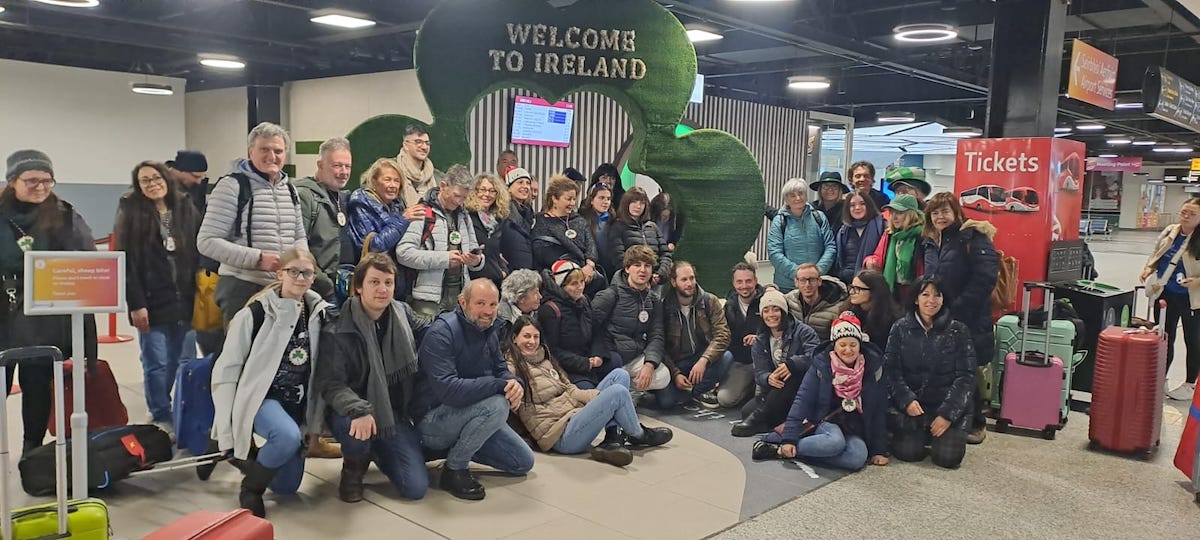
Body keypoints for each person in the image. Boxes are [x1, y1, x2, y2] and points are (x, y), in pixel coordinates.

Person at [211, 248, 334, 517]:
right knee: (286, 437)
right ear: (280, 274)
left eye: (307, 273)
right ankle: (250, 489)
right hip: (262, 398)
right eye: (294, 272)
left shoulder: (318, 314)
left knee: (286, 487)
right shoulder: (253, 315)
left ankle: (249, 461)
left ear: (314, 277)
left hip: (296, 402)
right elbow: (225, 373)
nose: (300, 278)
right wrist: (225, 431)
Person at [1, 149, 99, 452]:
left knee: (37, 388)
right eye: (32, 180)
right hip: (3, 313)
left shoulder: (65, 215)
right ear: (12, 180)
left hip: (45, 319)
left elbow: (86, 266)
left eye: (47, 180)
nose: (41, 187)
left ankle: (32, 451)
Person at [315, 253, 431, 502]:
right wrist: (359, 409)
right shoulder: (338, 327)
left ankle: (378, 449)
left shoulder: (403, 314)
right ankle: (353, 471)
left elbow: (431, 328)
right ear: (358, 287)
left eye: (388, 283)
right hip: (351, 412)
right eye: (374, 282)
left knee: (415, 488)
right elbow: (332, 384)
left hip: (392, 413)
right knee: (356, 431)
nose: (382, 289)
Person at [413, 278, 535, 500]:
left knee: (522, 462)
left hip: (472, 412)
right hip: (433, 418)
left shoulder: (490, 329)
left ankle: (457, 447)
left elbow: (501, 370)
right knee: (498, 404)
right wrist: (501, 386)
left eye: (493, 304)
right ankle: (455, 469)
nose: (488, 311)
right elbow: (449, 390)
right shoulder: (442, 333)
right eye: (480, 304)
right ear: (463, 302)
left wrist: (515, 384)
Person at [505, 316, 673, 467]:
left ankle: (613, 437)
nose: (532, 342)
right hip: (560, 435)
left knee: (619, 375)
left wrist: (597, 397)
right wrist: (605, 400)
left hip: (573, 414)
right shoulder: (512, 368)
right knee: (618, 393)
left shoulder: (544, 358)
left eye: (536, 336)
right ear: (515, 338)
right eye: (526, 336)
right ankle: (638, 434)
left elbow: (570, 389)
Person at [116, 160, 201, 436]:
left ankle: (179, 409)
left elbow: (200, 247)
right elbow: (127, 265)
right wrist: (136, 304)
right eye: (145, 180)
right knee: (156, 363)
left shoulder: (185, 208)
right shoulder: (132, 213)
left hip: (185, 300)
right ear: (139, 186)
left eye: (156, 178)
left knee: (184, 361)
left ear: (166, 178)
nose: (152, 184)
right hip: (151, 302)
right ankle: (160, 412)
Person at [197, 122, 308, 326]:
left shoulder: (290, 190)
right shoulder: (231, 186)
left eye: (278, 151)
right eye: (264, 149)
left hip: (282, 288)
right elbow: (206, 241)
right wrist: (257, 259)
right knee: (243, 356)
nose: (272, 156)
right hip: (241, 289)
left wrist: (299, 263)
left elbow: (299, 236)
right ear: (251, 152)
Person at [752, 312, 890, 470]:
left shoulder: (873, 369)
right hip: (826, 420)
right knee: (834, 442)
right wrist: (788, 439)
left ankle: (789, 452)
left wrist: (879, 450)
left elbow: (878, 410)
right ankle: (783, 448)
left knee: (857, 458)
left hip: (854, 426)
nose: (848, 350)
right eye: (842, 344)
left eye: (853, 344)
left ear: (860, 345)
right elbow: (802, 400)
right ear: (834, 345)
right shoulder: (821, 365)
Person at [922, 193, 999, 443]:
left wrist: (958, 308)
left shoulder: (972, 236)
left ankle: (976, 422)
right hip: (940, 315)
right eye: (934, 213)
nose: (940, 217)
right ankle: (952, 417)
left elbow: (986, 278)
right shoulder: (932, 241)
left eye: (945, 211)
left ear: (956, 212)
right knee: (947, 369)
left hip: (969, 318)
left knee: (967, 369)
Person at [885, 276, 975, 469]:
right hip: (913, 408)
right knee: (907, 454)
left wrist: (947, 414)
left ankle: (940, 432)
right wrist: (906, 400)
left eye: (937, 295)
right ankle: (921, 433)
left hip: (946, 406)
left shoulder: (959, 330)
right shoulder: (900, 328)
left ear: (944, 299)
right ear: (916, 299)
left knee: (947, 459)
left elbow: (966, 377)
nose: (931, 300)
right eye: (925, 294)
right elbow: (891, 370)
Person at [395, 164, 484, 317]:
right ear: (443, 186)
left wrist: (476, 260)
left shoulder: (464, 216)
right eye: (457, 195)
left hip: (460, 298)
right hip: (428, 300)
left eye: (464, 197)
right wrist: (444, 259)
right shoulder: (422, 212)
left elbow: (475, 251)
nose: (459, 202)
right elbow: (403, 253)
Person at [730, 290, 820, 437]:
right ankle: (773, 422)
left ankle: (762, 418)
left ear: (784, 311)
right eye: (766, 311)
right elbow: (759, 373)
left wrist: (792, 364)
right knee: (746, 411)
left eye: (775, 309)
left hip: (800, 386)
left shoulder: (804, 331)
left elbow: (817, 356)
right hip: (774, 390)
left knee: (790, 377)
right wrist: (768, 378)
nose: (771, 314)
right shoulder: (760, 339)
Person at [1140, 196, 1200, 401]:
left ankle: (1191, 383)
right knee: (1164, 337)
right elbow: (1157, 254)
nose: (1186, 217)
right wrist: (1149, 268)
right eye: (1184, 212)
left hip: (1193, 299)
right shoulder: (1170, 232)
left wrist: (1197, 282)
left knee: (1193, 340)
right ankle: (1160, 378)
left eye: (1192, 214)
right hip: (1165, 294)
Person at [591, 245, 671, 397]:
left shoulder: (654, 301)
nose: (643, 270)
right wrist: (602, 354)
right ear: (627, 268)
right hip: (611, 357)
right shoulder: (609, 295)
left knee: (663, 377)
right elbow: (590, 328)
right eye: (637, 265)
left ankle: (629, 390)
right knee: (617, 370)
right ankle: (612, 389)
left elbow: (657, 335)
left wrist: (649, 363)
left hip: (635, 356)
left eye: (647, 266)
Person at [167, 150, 224, 357]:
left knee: (198, 335)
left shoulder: (193, 193)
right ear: (178, 171)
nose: (199, 181)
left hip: (196, 273)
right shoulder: (161, 196)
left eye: (203, 177)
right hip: (171, 279)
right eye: (195, 176)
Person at [661, 261, 733, 409]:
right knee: (666, 402)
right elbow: (659, 346)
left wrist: (704, 360)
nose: (690, 283)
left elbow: (723, 335)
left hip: (702, 357)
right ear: (674, 282)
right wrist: (675, 373)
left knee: (727, 356)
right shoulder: (664, 307)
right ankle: (693, 390)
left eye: (692, 278)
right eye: (684, 279)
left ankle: (697, 391)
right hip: (678, 362)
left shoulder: (710, 301)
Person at [347, 157, 424, 284]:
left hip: (395, 278)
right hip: (372, 279)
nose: (393, 185)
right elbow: (375, 246)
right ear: (374, 181)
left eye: (396, 181)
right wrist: (404, 219)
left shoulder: (397, 204)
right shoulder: (360, 202)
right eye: (387, 180)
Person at [294, 137, 353, 300]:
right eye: (337, 165)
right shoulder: (304, 196)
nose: (344, 172)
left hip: (346, 286)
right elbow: (298, 249)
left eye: (347, 166)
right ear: (320, 165)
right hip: (317, 290)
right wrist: (325, 286)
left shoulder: (344, 198)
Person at [539, 261, 613, 389]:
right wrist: (584, 363)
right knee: (587, 388)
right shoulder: (550, 310)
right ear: (561, 285)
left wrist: (598, 354)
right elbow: (551, 350)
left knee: (616, 363)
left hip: (588, 357)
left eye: (582, 282)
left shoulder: (584, 301)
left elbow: (597, 331)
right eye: (574, 284)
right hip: (568, 367)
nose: (580, 287)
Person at [531, 176, 605, 295]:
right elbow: (542, 252)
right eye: (568, 199)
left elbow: (591, 245)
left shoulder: (579, 220)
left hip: (587, 279)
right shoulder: (540, 222)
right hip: (557, 282)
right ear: (555, 198)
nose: (572, 203)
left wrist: (589, 266)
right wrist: (575, 272)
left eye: (574, 199)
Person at [767, 178, 835, 292]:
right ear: (786, 199)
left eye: (801, 193)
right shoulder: (779, 221)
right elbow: (774, 253)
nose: (798, 198)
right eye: (792, 195)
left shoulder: (819, 217)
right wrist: (800, 275)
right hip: (787, 286)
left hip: (816, 284)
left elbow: (830, 247)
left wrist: (815, 273)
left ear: (806, 195)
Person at [721, 262, 764, 409]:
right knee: (725, 399)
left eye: (748, 281)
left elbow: (781, 332)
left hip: (765, 362)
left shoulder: (768, 302)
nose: (744, 286)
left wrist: (759, 339)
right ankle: (748, 385)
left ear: (756, 281)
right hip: (740, 362)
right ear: (733, 283)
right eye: (739, 281)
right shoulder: (728, 306)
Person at [866, 193, 924, 301]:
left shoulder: (923, 236)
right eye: (892, 213)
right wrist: (871, 261)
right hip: (893, 291)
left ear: (911, 214)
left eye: (899, 213)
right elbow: (878, 256)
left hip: (915, 292)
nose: (894, 217)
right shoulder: (889, 235)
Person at [610, 187, 672, 287]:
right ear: (626, 203)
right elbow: (618, 258)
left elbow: (665, 254)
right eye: (634, 202)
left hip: (655, 283)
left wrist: (659, 274)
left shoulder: (652, 226)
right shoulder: (617, 226)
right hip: (629, 285)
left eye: (642, 203)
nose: (638, 206)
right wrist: (640, 277)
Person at [464, 173, 510, 286]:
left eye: (492, 191)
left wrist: (503, 272)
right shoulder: (466, 216)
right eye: (482, 190)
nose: (487, 194)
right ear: (474, 191)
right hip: (472, 282)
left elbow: (498, 253)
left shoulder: (498, 220)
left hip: (494, 282)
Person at [784, 264, 847, 341]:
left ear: (819, 281)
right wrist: (770, 287)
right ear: (796, 282)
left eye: (812, 280)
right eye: (803, 280)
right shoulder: (790, 299)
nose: (807, 285)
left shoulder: (838, 308)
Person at [833, 191, 885, 285]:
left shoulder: (881, 226)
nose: (857, 208)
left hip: (874, 283)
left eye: (862, 204)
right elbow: (840, 261)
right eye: (852, 205)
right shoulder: (843, 232)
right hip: (849, 283)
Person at [841, 270, 900, 347]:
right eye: (852, 287)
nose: (851, 292)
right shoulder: (848, 313)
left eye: (857, 289)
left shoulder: (891, 320)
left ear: (874, 291)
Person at [500, 166, 536, 271]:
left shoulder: (529, 213)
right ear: (509, 187)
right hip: (509, 271)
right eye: (520, 182)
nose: (525, 186)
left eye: (527, 183)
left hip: (526, 271)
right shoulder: (502, 212)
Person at [578, 183, 616, 278]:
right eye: (601, 198)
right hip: (590, 270)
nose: (606, 202)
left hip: (611, 270)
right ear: (591, 200)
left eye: (608, 199)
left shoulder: (614, 221)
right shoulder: (581, 221)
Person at [395, 124, 442, 200]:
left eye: (427, 143)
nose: (424, 147)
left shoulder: (438, 178)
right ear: (405, 145)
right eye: (418, 142)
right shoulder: (392, 171)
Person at [498, 269, 542, 340]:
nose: (540, 296)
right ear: (521, 298)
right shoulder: (500, 320)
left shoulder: (537, 314)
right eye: (535, 293)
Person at [809, 171, 849, 237]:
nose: (830, 189)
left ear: (840, 190)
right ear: (820, 189)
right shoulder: (811, 208)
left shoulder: (847, 209)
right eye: (826, 186)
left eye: (834, 186)